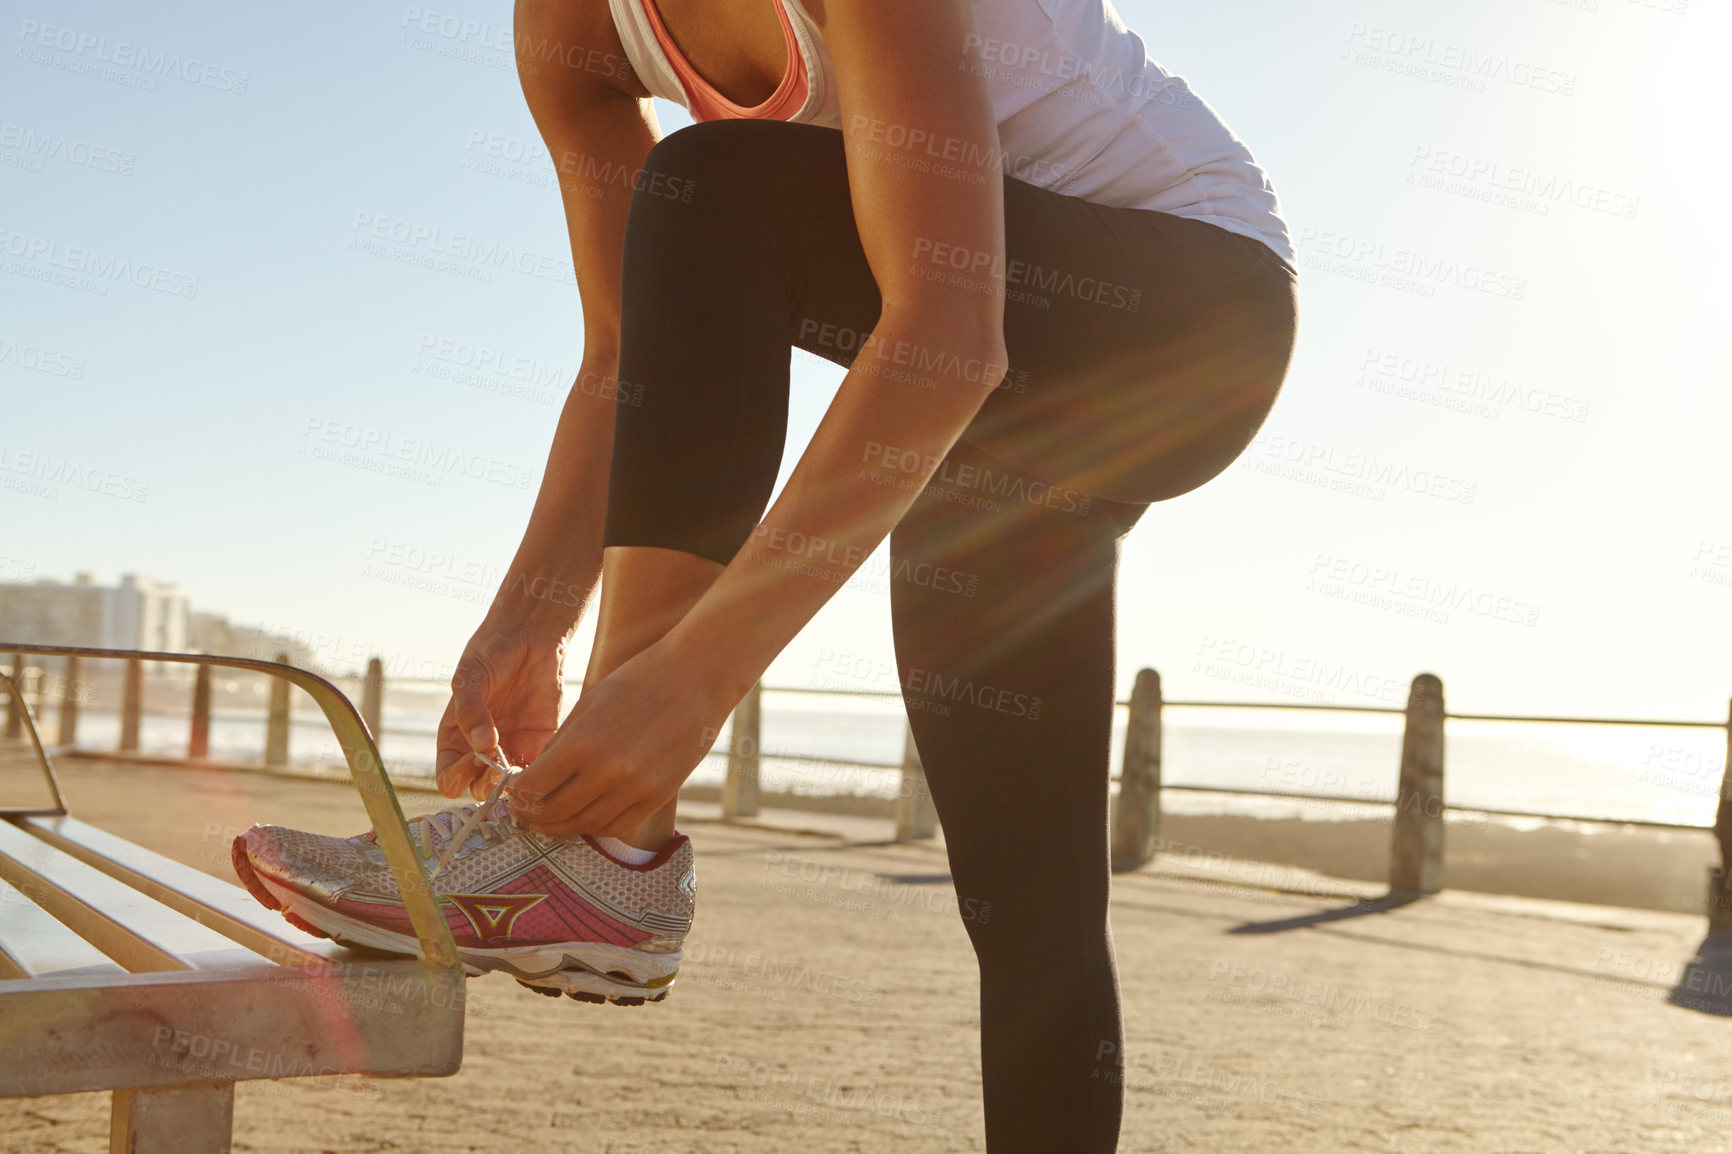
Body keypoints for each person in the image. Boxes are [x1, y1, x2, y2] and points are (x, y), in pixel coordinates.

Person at [235, 0, 1297, 1147]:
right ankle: (608, 844)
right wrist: (530, 619)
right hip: (998, 410)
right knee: (1027, 900)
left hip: (1192, 312)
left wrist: (684, 690)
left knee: (712, 188)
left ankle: (607, 842)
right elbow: (624, 354)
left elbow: (945, 333)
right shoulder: (565, 27)